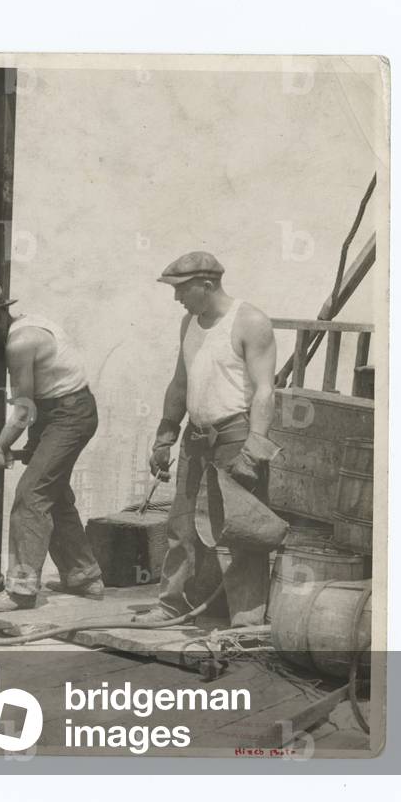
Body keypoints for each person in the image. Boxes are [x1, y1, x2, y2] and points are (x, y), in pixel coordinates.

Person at [133, 251, 279, 627]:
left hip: (235, 439)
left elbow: (265, 391)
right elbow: (181, 382)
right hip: (195, 440)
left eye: (182, 289)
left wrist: (255, 449)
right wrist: (164, 437)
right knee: (181, 528)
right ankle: (172, 605)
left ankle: (246, 622)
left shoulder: (251, 322)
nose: (177, 298)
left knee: (242, 532)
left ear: (207, 284)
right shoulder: (189, 324)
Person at [0, 278, 104, 612]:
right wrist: (2, 446)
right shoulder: (26, 325)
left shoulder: (20, 343)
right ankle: (84, 576)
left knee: (30, 497)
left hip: (68, 415)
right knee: (54, 494)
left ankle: (20, 591)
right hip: (61, 412)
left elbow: (24, 410)